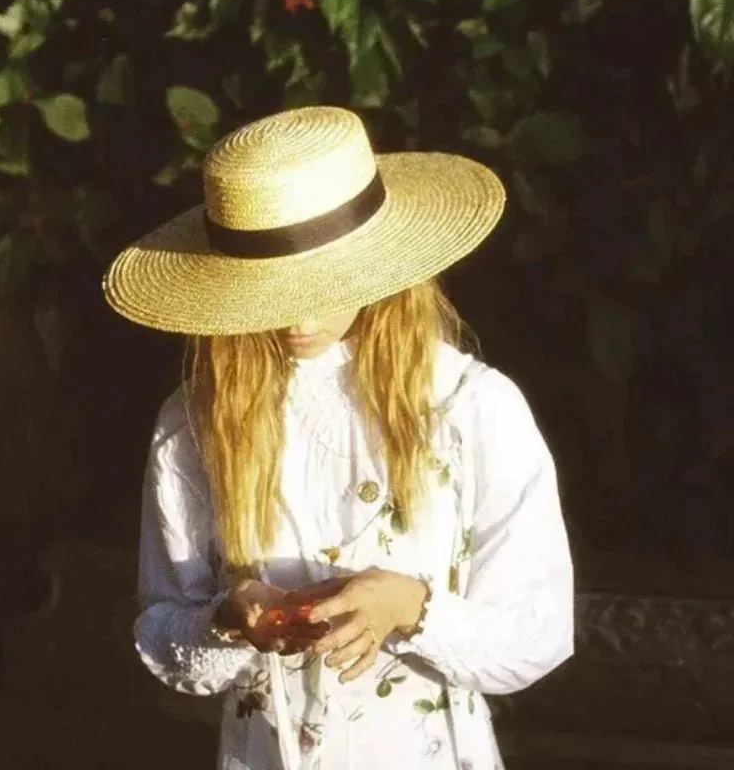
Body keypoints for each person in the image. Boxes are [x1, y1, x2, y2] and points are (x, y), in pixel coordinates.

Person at [103, 106, 574, 770]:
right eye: (268, 287)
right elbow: (161, 635)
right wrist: (230, 620)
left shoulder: (471, 409)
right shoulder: (195, 424)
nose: (297, 314)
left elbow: (537, 635)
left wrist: (415, 608)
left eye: (319, 282)